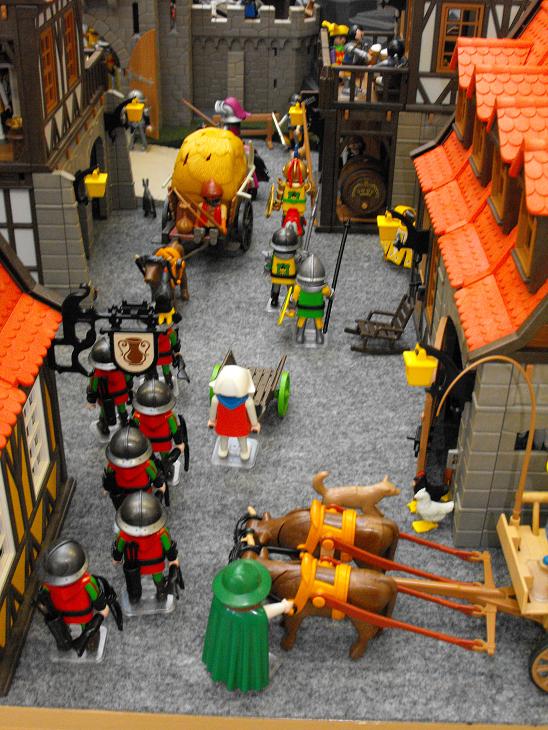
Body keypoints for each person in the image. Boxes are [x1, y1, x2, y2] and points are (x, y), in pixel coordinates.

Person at [202, 559, 293, 692]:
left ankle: (222, 669)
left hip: (223, 647)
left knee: (225, 651)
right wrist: (284, 606)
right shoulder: (254, 616)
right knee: (247, 657)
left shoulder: (218, 602)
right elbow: (266, 612)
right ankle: (245, 677)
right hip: (247, 651)